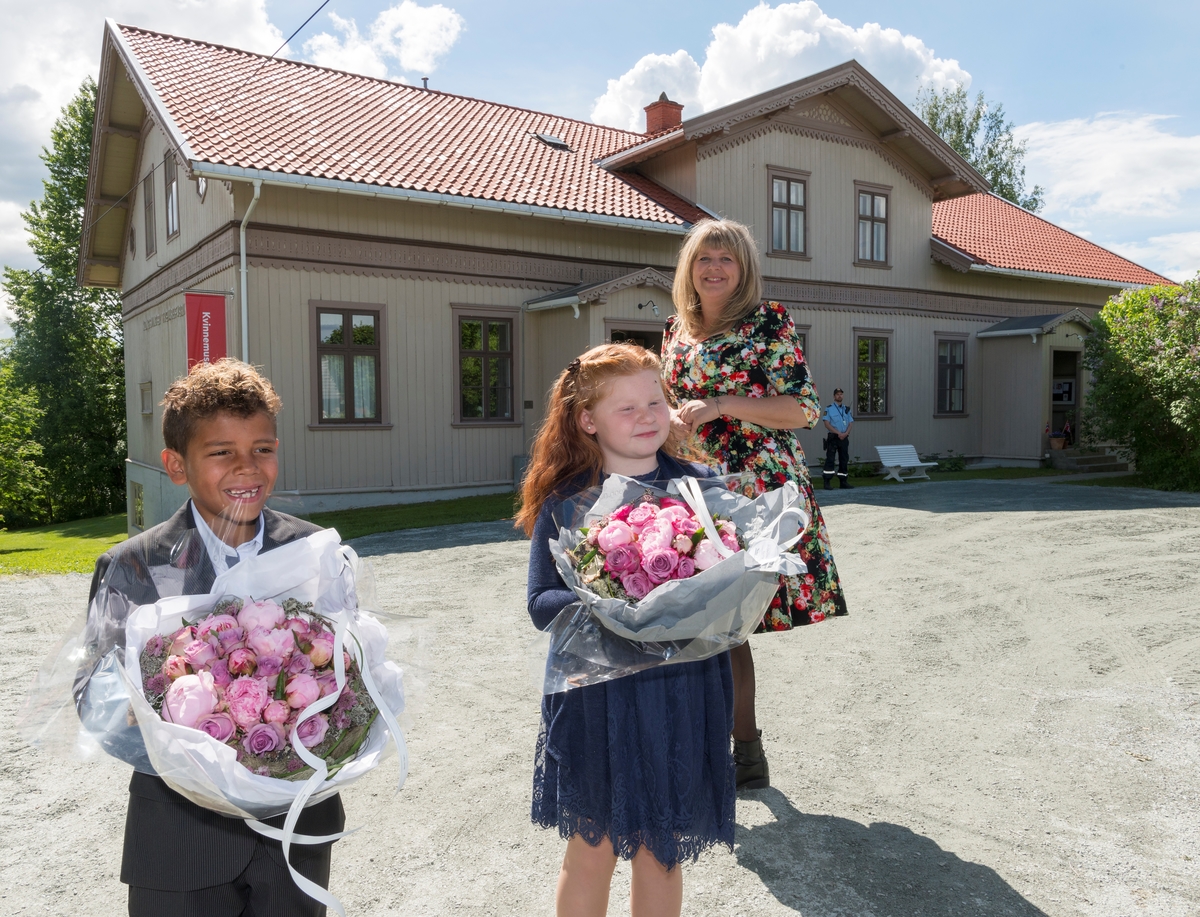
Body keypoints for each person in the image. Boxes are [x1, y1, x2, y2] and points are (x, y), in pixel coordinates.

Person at [85, 359, 343, 917]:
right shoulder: (134, 565)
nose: (247, 467)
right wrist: (158, 719)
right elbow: (93, 696)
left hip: (294, 827)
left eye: (263, 448)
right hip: (181, 837)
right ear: (176, 465)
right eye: (221, 451)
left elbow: (347, 666)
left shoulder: (315, 551)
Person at [516, 343, 735, 917]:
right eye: (627, 408)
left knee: (663, 850)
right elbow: (543, 603)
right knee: (593, 846)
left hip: (680, 691)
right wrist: (621, 595)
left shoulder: (701, 489)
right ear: (587, 420)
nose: (647, 417)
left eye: (655, 402)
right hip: (595, 696)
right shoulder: (566, 503)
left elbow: (733, 586)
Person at [661, 218, 849, 791]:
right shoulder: (674, 329)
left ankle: (743, 750)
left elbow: (803, 410)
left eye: (727, 259)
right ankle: (716, 747)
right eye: (704, 258)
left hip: (753, 487)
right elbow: (668, 401)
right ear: (689, 267)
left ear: (743, 270)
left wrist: (721, 402)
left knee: (729, 624)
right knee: (694, 620)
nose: (714, 268)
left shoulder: (768, 321)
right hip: (691, 484)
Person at [821, 388, 854, 490]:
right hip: (833, 437)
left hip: (844, 437)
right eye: (837, 394)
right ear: (834, 396)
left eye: (841, 394)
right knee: (830, 459)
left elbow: (850, 422)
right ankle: (827, 482)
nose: (839, 396)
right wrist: (838, 433)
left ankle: (843, 481)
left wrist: (846, 433)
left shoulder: (846, 409)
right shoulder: (829, 409)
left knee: (844, 459)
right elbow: (826, 424)